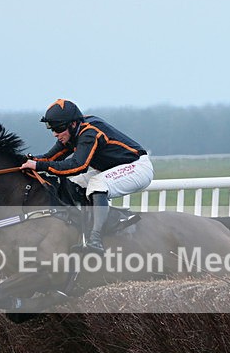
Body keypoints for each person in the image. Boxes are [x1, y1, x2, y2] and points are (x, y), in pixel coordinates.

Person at [20, 99, 153, 253]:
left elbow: (78, 166)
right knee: (72, 182)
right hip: (114, 168)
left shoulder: (89, 133)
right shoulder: (71, 132)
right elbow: (50, 159)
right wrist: (26, 160)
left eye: (58, 128)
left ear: (73, 124)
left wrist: (39, 165)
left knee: (97, 184)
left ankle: (96, 238)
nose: (55, 134)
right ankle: (85, 227)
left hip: (137, 167)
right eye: (52, 129)